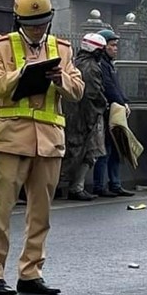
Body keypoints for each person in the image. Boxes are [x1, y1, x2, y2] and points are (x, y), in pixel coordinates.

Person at [0, 0, 84, 295]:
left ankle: (31, 272)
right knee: (0, 211)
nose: (37, 29)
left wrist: (60, 80)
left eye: (41, 23)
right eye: (30, 24)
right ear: (19, 21)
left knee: (41, 213)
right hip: (12, 139)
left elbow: (78, 89)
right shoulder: (0, 47)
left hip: (49, 141)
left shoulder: (62, 49)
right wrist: (20, 74)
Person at [62, 32, 108, 201]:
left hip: (74, 112)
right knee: (89, 152)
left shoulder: (76, 63)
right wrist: (101, 107)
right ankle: (76, 187)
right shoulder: (91, 68)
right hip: (86, 114)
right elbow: (92, 94)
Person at [92, 28, 134, 197]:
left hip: (116, 109)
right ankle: (99, 185)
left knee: (116, 148)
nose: (115, 48)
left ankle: (115, 183)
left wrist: (125, 102)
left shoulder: (109, 64)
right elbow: (109, 87)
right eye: (112, 45)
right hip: (107, 110)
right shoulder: (101, 64)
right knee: (105, 149)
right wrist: (121, 103)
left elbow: (117, 86)